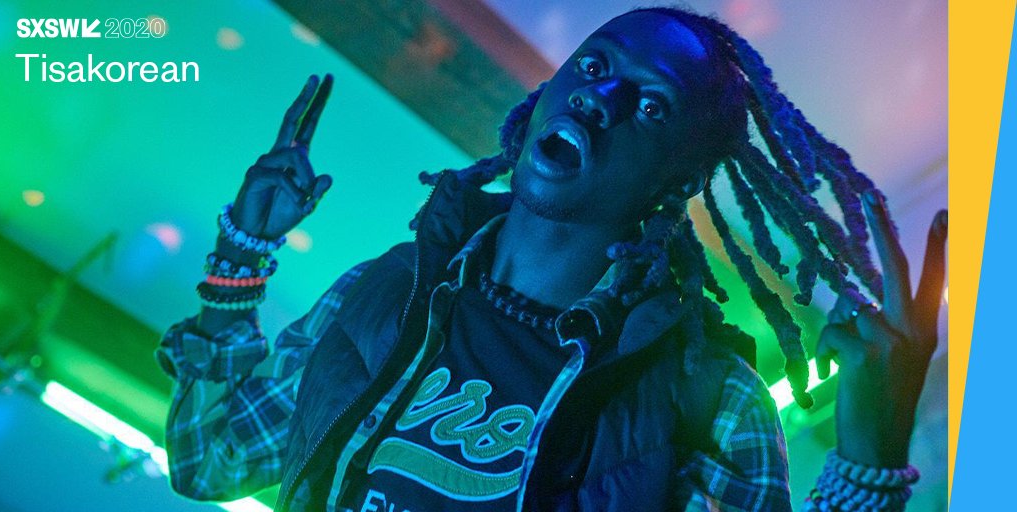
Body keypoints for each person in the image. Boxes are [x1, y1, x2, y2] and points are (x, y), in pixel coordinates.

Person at [157, 6, 947, 511]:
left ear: (678, 181)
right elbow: (207, 459)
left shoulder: (713, 402)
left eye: (650, 104)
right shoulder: (380, 294)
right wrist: (240, 261)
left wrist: (869, 461)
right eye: (595, 67)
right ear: (545, 96)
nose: (599, 97)